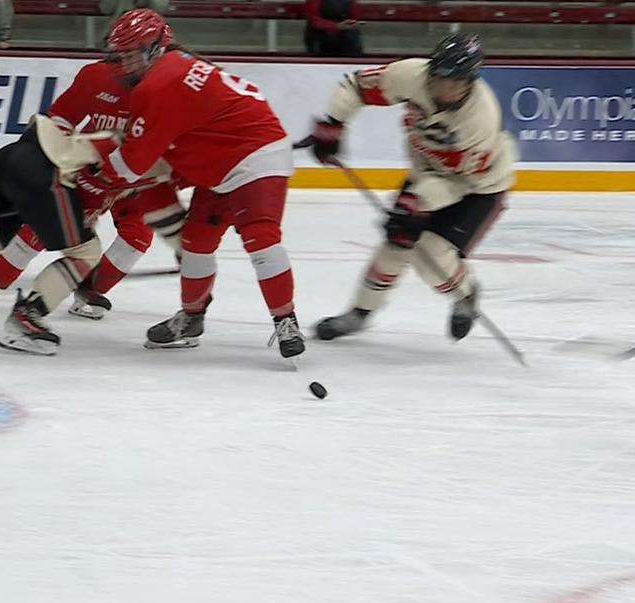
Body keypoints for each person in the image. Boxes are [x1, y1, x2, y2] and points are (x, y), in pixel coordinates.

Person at [86, 9, 304, 359]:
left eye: (128, 55)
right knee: (196, 242)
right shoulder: (173, 67)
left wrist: (89, 177)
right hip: (220, 160)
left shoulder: (159, 84)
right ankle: (191, 316)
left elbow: (131, 165)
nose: (122, 64)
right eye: (119, 56)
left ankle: (285, 321)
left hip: (255, 155)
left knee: (260, 238)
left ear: (154, 48)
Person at [306, 32, 516, 342]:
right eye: (441, 76)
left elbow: (461, 181)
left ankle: (466, 295)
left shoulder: (480, 119)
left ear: (471, 82)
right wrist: (334, 123)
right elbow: (356, 86)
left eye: (458, 81)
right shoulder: (409, 75)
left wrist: (417, 203)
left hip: (478, 187)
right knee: (396, 242)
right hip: (428, 174)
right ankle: (360, 313)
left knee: (431, 255)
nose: (447, 87)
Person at [0, 59, 186, 320]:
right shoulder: (99, 75)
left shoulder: (170, 92)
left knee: (136, 237)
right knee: (48, 225)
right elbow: (61, 117)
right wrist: (40, 164)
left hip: (138, 178)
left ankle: (90, 290)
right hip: (92, 169)